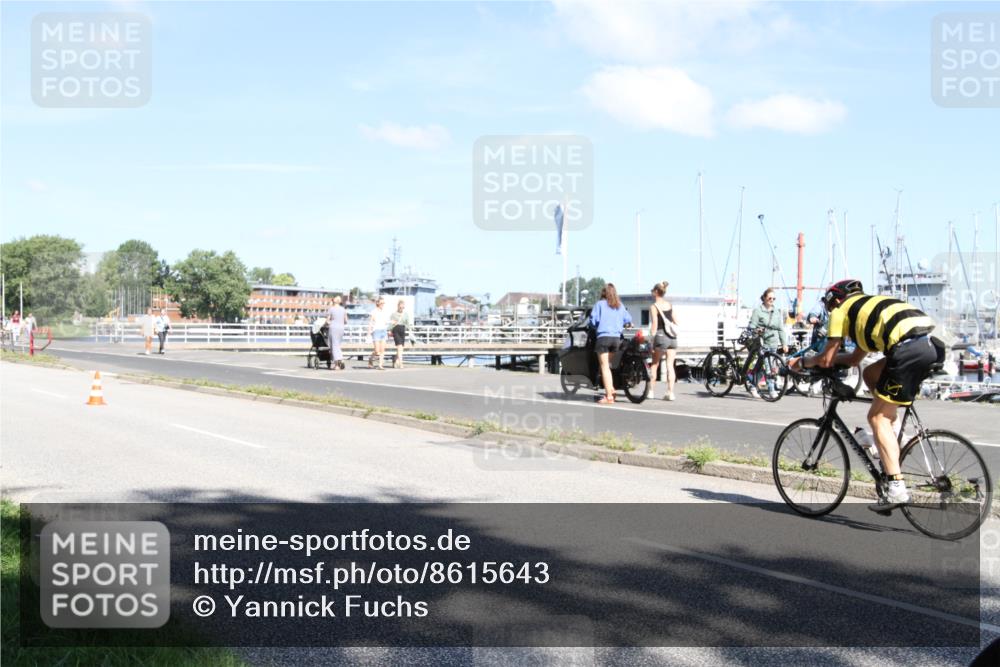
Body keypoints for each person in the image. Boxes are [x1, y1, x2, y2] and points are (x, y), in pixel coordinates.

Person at [790, 279, 942, 513]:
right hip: (930, 344)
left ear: (835, 301)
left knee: (876, 418)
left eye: (830, 308)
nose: (831, 313)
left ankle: (896, 488)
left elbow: (828, 358)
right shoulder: (867, 310)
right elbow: (853, 360)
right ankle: (890, 439)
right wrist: (826, 360)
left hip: (907, 350)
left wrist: (802, 362)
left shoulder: (841, 310)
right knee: (872, 374)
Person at [589, 283, 632, 404]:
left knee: (604, 367)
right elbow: (628, 319)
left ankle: (609, 397)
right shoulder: (620, 305)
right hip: (616, 340)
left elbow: (593, 320)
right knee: (608, 366)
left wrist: (595, 326)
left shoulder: (600, 304)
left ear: (603, 293)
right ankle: (611, 389)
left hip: (603, 338)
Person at [749, 288, 788, 399]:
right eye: (769, 298)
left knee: (762, 367)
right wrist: (757, 330)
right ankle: (771, 390)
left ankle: (752, 386)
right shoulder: (758, 311)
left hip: (773, 343)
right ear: (764, 298)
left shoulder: (776, 311)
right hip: (763, 343)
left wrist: (784, 343)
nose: (772, 300)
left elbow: (780, 329)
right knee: (768, 367)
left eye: (773, 298)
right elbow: (752, 326)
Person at [649, 281, 679, 401]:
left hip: (661, 336)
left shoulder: (654, 306)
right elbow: (676, 321)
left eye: (652, 291)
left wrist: (651, 339)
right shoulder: (670, 305)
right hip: (673, 338)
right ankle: (670, 393)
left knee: (655, 364)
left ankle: (651, 391)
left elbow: (655, 325)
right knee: (670, 365)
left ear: (656, 292)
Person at [368, 296, 390, 370]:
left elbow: (386, 321)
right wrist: (369, 331)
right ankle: (370, 359)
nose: (383, 304)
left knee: (382, 350)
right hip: (376, 331)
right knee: (377, 351)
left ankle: (380, 365)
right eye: (381, 303)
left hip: (383, 330)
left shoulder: (385, 311)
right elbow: (371, 322)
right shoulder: (374, 311)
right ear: (377, 303)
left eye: (383, 303)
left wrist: (392, 323)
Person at [326, 295, 348, 370]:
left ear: (333, 301)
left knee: (334, 346)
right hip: (341, 328)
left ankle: (337, 364)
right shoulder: (343, 309)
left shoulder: (331, 309)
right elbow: (346, 321)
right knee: (338, 345)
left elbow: (327, 320)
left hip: (333, 328)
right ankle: (341, 359)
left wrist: (329, 323)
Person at [389, 299, 412, 369]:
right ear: (398, 306)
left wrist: (411, 329)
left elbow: (407, 323)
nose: (401, 309)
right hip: (396, 329)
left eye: (403, 307)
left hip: (402, 329)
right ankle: (401, 363)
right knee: (399, 347)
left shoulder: (406, 314)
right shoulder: (393, 314)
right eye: (400, 307)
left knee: (401, 348)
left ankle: (395, 359)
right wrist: (389, 330)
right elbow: (391, 324)